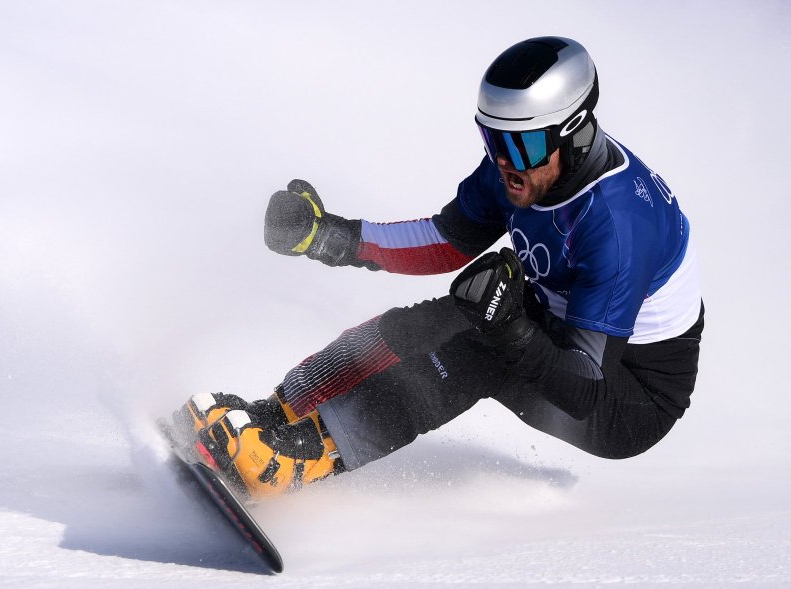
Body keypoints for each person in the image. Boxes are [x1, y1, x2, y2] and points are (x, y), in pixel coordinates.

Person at [177, 36, 704, 501]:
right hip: (555, 322)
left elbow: (587, 390)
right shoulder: (524, 162)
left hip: (626, 395)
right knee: (417, 324)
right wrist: (331, 237)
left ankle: (293, 461)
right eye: (491, 138)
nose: (502, 160)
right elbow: (447, 241)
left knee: (477, 353)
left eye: (518, 143)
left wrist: (515, 331)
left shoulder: (615, 227)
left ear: (574, 132)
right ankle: (278, 415)